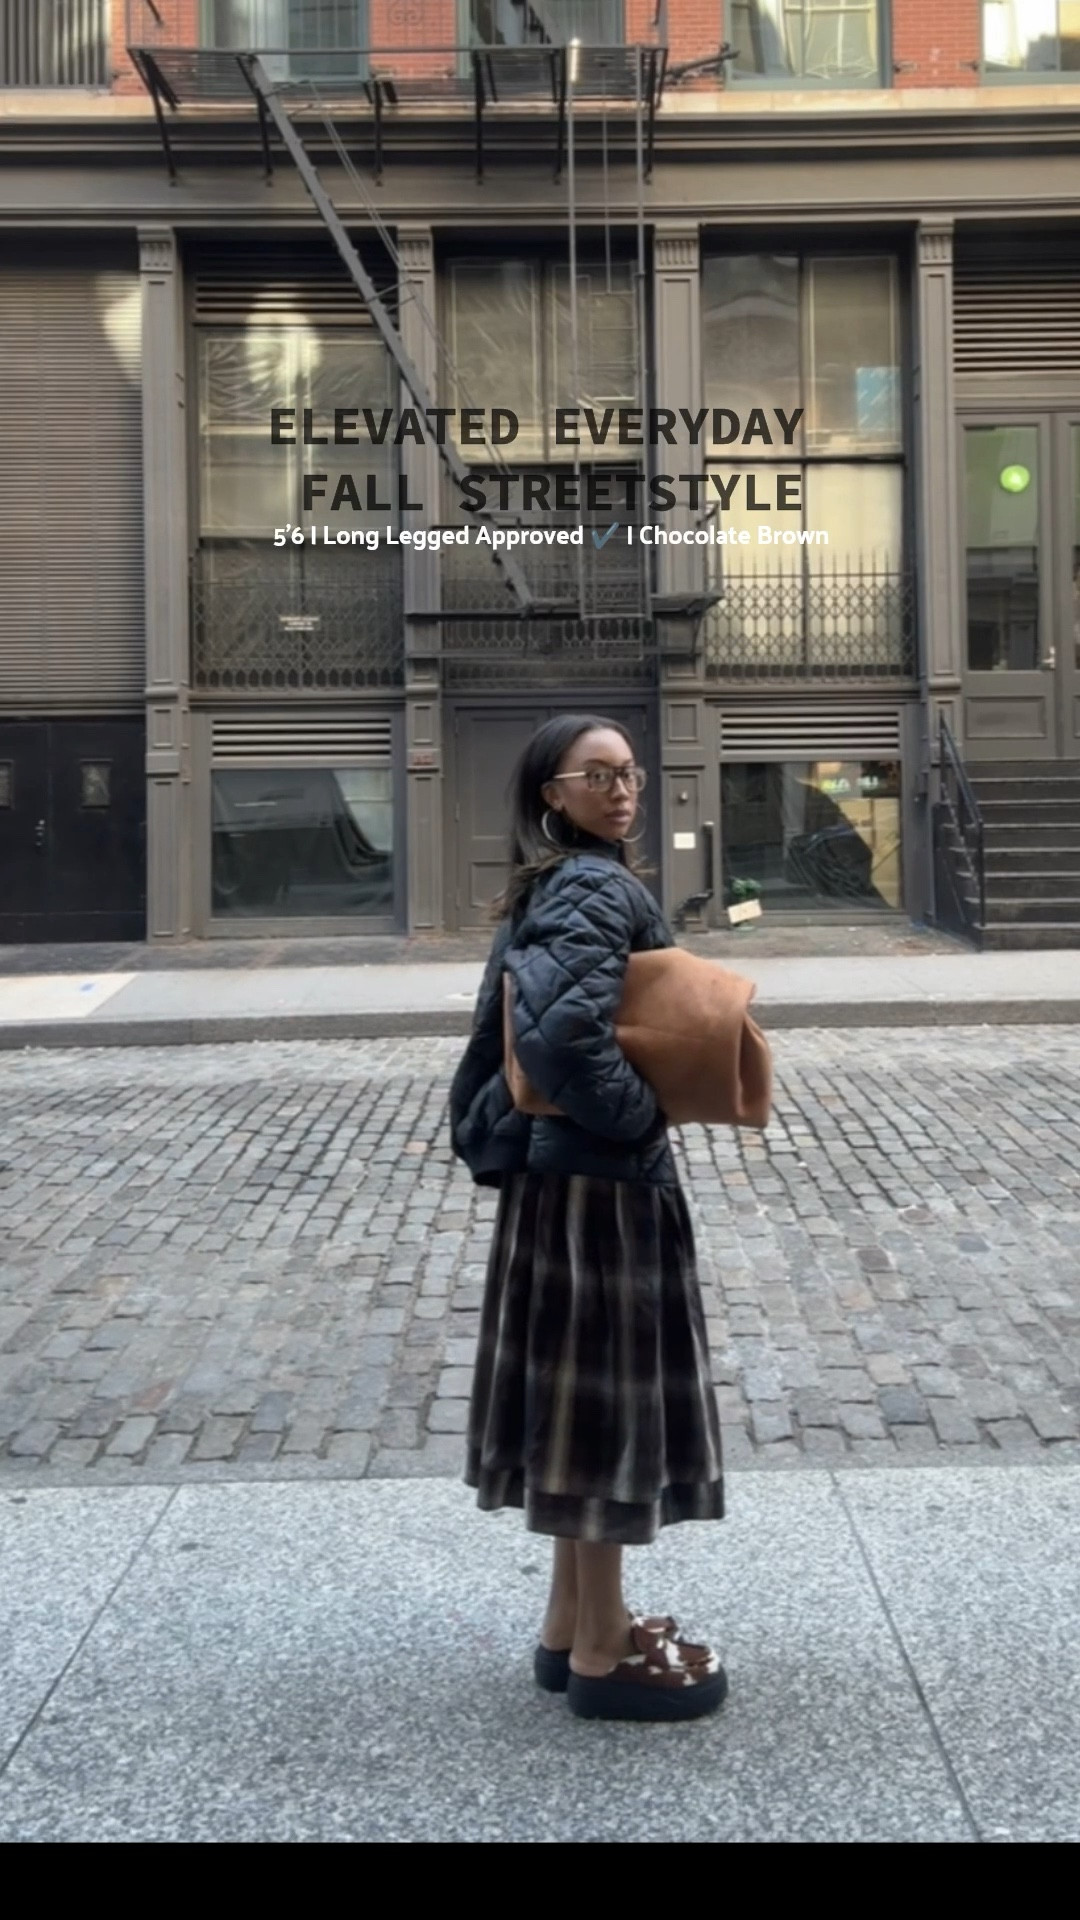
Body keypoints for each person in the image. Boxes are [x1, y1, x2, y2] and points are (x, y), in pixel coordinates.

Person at [449, 714, 727, 1723]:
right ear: (549, 796)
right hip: (598, 1192)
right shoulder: (597, 886)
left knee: (576, 1415)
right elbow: (566, 1042)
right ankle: (607, 1655)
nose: (621, 791)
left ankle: (572, 1626)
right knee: (605, 1417)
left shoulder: (559, 884)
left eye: (629, 773)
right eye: (595, 776)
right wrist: (640, 1115)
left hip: (563, 1189)